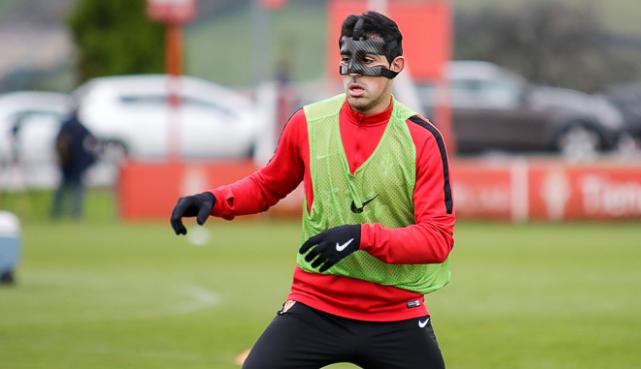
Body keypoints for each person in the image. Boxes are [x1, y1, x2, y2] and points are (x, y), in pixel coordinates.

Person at [171, 11, 455, 369]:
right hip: (316, 306)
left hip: (395, 314)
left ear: (396, 65)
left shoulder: (422, 139)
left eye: (367, 61)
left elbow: (437, 240)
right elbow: (266, 185)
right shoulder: (308, 123)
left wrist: (361, 236)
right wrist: (214, 200)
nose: (353, 71)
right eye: (346, 60)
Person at [51, 109, 97, 220]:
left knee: (62, 189)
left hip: (66, 162)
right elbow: (93, 139)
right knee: (78, 189)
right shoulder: (81, 127)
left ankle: (56, 212)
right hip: (78, 163)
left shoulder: (64, 126)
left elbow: (59, 143)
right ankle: (76, 213)